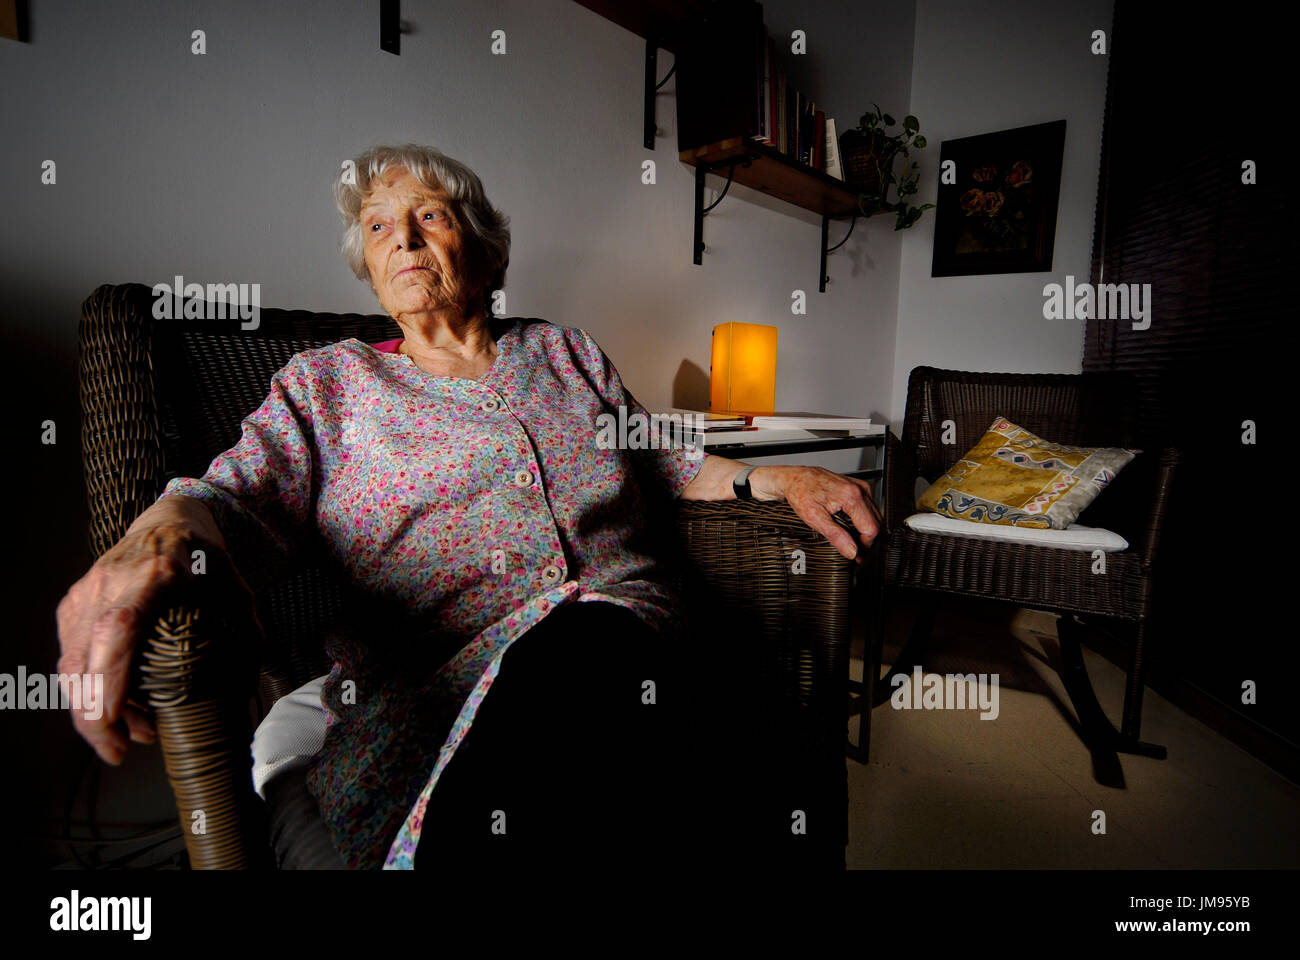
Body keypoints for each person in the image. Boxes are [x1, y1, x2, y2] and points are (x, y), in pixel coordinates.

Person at [55, 143, 880, 869]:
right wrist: (156, 535)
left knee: (642, 685)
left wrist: (772, 479)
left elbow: (660, 453)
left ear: (486, 255)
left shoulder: (563, 351)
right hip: (447, 685)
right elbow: (233, 497)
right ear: (370, 269)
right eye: (379, 227)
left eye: (430, 216)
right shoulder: (331, 386)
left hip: (641, 639)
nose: (403, 238)